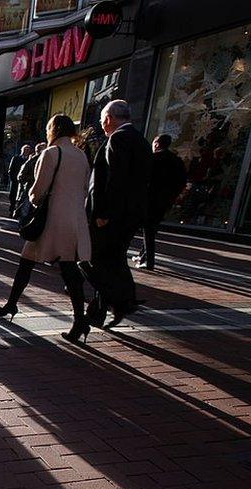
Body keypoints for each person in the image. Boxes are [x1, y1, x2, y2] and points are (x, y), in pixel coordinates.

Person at [0, 115, 92, 343]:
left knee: (26, 263)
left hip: (51, 219)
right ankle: (80, 320)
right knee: (69, 270)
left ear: (53, 130)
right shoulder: (80, 154)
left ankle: (11, 304)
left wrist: (31, 199)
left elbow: (38, 191)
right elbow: (86, 188)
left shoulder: (51, 153)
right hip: (74, 219)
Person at [84, 100, 152, 328]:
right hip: (130, 214)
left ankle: (121, 301)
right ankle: (101, 310)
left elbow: (115, 180)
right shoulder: (140, 140)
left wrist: (103, 213)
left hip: (112, 216)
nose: (102, 125)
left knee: (92, 259)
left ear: (109, 118)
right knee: (113, 260)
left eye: (103, 119)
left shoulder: (119, 139)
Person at [136, 134, 187, 270]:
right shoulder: (177, 161)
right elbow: (182, 182)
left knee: (148, 229)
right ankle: (143, 256)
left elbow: (142, 179)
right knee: (151, 228)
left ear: (157, 144)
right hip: (165, 200)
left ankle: (149, 260)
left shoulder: (153, 159)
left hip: (150, 198)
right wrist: (173, 195)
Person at [16, 142, 46, 218]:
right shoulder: (31, 161)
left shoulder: (47, 162)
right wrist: (32, 179)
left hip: (41, 191)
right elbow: (21, 177)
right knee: (25, 211)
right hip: (30, 189)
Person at [8, 145, 34, 214]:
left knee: (22, 196)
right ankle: (12, 209)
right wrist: (13, 178)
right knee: (13, 195)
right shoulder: (16, 158)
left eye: (28, 150)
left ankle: (18, 210)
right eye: (25, 149)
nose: (26, 151)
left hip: (24, 182)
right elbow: (11, 169)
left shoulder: (30, 160)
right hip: (15, 181)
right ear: (21, 150)